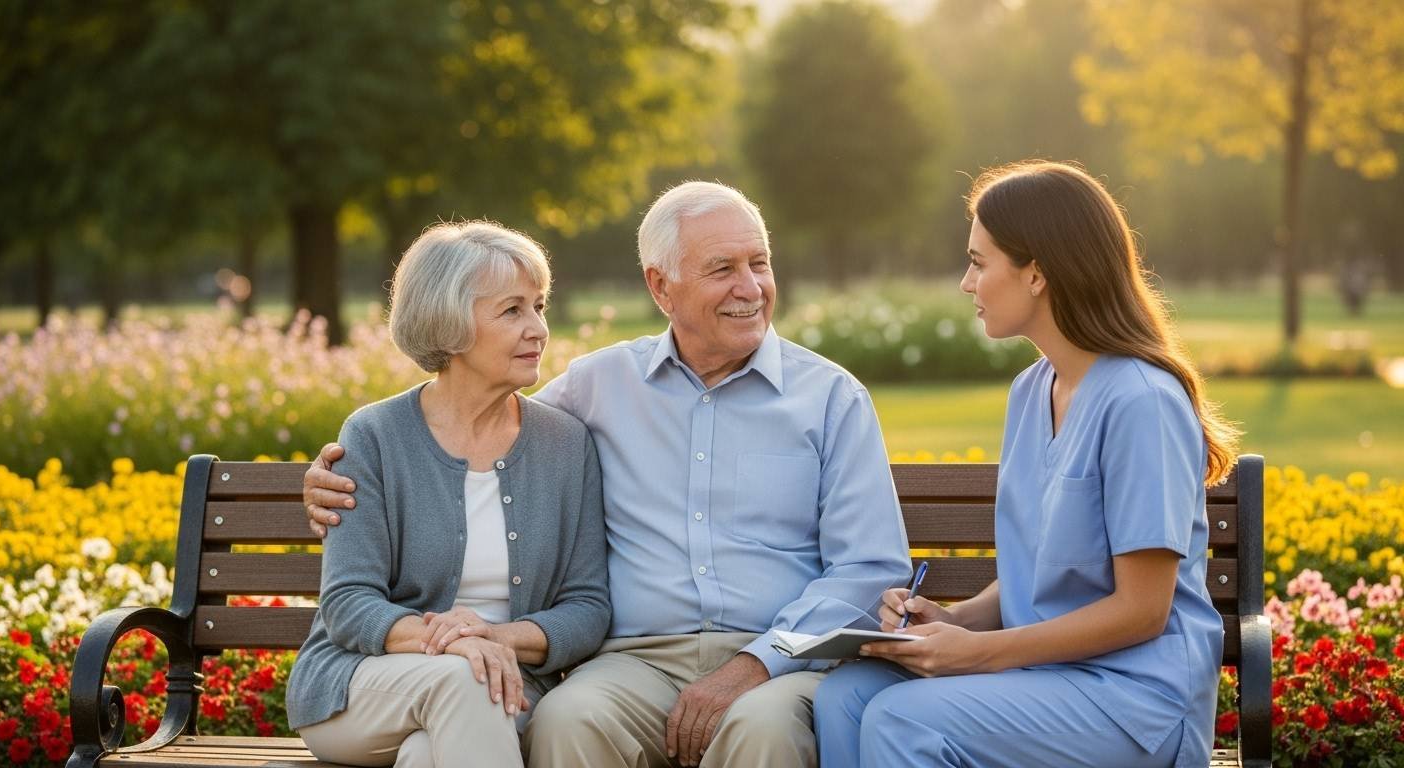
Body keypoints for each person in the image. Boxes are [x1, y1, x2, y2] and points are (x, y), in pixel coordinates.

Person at [304, 181, 912, 768]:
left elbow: (869, 567)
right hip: (638, 663)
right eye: (722, 268)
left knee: (763, 730)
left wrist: (756, 663)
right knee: (569, 719)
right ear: (660, 285)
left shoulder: (830, 398)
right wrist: (330, 475)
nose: (749, 287)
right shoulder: (597, 388)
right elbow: (472, 421)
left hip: (776, 660)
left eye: (760, 263)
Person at [813, 161, 1236, 768]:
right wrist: (954, 620)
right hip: (1043, 679)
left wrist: (978, 653)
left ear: (1035, 273)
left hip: (1134, 700)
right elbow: (1042, 573)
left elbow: (1143, 610)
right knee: (846, 699)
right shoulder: (1032, 391)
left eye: (978, 262)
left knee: (904, 719)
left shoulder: (1141, 402)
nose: (966, 283)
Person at [285, 221, 609, 768]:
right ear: (450, 323)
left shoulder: (566, 443)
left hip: (509, 688)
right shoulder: (375, 436)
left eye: (538, 307)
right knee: (466, 680)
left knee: (427, 754)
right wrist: (456, 643)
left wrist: (496, 637)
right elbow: (348, 604)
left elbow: (587, 607)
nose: (538, 329)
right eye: (512, 311)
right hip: (362, 688)